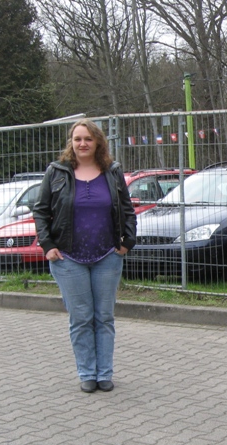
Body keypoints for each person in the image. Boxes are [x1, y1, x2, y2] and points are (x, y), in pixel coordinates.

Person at [33, 119, 136, 393]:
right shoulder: (56, 172)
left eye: (88, 139)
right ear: (71, 142)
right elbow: (41, 211)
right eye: (77, 139)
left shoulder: (112, 172)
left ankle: (104, 373)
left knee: (103, 317)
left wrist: (128, 242)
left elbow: (127, 210)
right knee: (81, 317)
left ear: (98, 142)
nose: (82, 144)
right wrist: (48, 245)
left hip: (107, 255)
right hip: (68, 258)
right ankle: (87, 373)